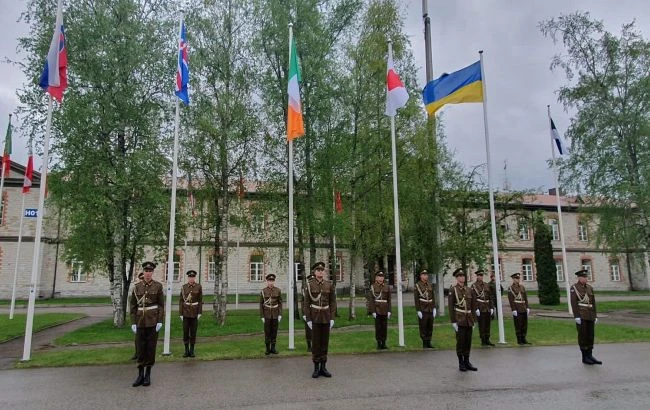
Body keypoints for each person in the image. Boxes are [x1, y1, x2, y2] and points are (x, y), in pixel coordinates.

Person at [129, 261, 164, 387]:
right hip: (139, 321)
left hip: (153, 321)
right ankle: (140, 375)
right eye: (146, 271)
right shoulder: (136, 287)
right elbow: (133, 306)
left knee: (150, 348)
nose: (148, 273)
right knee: (140, 347)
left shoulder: (158, 286)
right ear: (143, 272)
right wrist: (133, 322)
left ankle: (148, 375)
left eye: (150, 271)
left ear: (152, 272)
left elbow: (161, 305)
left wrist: (160, 320)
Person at [302, 261, 337, 378]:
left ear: (324, 272)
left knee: (324, 342)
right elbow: (306, 303)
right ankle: (316, 368)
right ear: (314, 272)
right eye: (318, 270)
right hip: (315, 317)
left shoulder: (329, 284)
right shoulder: (310, 285)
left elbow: (333, 302)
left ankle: (324, 367)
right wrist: (308, 319)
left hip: (326, 316)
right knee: (316, 343)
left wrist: (332, 317)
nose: (320, 272)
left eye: (322, 270)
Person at [570, 269, 602, 365]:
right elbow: (574, 303)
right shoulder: (574, 288)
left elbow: (593, 303)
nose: (585, 278)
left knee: (590, 336)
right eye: (583, 277)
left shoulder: (589, 288)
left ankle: (590, 355)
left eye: (586, 277)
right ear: (579, 278)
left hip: (590, 315)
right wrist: (576, 316)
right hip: (582, 315)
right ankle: (584, 357)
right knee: (583, 336)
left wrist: (595, 316)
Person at [448, 268, 477, 371]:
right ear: (457, 278)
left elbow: (473, 306)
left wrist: (474, 321)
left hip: (469, 319)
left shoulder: (469, 290)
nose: (462, 277)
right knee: (460, 342)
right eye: (460, 276)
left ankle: (467, 361)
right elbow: (451, 307)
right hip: (459, 319)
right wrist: (453, 322)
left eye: (463, 276)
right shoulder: (453, 290)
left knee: (468, 341)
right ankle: (461, 363)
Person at [179, 269, 202, 358]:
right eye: (190, 277)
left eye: (193, 277)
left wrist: (199, 312)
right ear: (188, 278)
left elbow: (200, 300)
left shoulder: (198, 287)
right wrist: (181, 313)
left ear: (194, 278)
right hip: (185, 312)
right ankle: (186, 350)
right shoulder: (183, 287)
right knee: (185, 332)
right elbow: (181, 301)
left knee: (193, 332)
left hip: (194, 312)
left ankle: (192, 350)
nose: (191, 279)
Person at [367, 270, 391, 350]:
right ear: (376, 278)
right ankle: (379, 343)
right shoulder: (373, 287)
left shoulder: (387, 287)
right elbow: (371, 300)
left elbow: (389, 300)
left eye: (382, 277)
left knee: (384, 327)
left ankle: (384, 343)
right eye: (379, 277)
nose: (381, 278)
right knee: (378, 327)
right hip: (377, 309)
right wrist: (373, 311)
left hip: (384, 309)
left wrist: (389, 310)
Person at [260, 273, 282, 355]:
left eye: (272, 281)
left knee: (274, 331)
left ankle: (273, 348)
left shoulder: (278, 290)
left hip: (275, 314)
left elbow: (280, 303)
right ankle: (267, 348)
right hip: (267, 314)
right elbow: (261, 304)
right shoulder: (263, 291)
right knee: (267, 331)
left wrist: (280, 314)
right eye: (269, 281)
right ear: (267, 281)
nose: (271, 282)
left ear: (274, 281)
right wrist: (262, 316)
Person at [471, 270, 494, 346]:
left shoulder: (486, 285)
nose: (480, 277)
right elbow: (473, 299)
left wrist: (491, 307)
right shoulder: (474, 286)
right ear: (476, 276)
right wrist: (476, 308)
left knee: (488, 324)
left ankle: (487, 339)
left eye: (481, 275)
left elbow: (490, 296)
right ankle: (483, 340)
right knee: (482, 325)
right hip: (480, 307)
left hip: (487, 306)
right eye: (479, 275)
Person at [414, 269, 436, 348]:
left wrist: (434, 308)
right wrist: (418, 310)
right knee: (423, 326)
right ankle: (424, 342)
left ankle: (429, 341)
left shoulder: (429, 285)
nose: (425, 276)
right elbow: (416, 299)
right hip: (423, 308)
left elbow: (433, 297)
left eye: (426, 275)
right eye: (423, 275)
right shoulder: (418, 285)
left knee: (430, 326)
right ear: (420, 276)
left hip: (430, 308)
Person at [508, 272, 531, 345]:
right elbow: (511, 300)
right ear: (513, 279)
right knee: (518, 325)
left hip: (523, 307)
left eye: (518, 278)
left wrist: (527, 307)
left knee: (524, 325)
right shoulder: (511, 288)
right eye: (516, 278)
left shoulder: (522, 287)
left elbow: (525, 298)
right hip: (517, 308)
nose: (518, 280)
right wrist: (513, 309)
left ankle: (524, 338)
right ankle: (519, 339)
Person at [131, 271, 144, 360]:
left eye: (143, 278)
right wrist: (133, 321)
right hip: (139, 316)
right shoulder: (136, 289)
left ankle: (145, 354)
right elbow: (133, 306)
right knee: (138, 338)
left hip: (149, 316)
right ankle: (137, 353)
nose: (142, 280)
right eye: (141, 279)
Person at [302, 272, 315, 352]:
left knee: (316, 330)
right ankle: (309, 346)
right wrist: (304, 313)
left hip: (316, 312)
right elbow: (303, 303)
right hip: (308, 312)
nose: (311, 282)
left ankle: (315, 345)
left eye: (312, 280)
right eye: (310, 281)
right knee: (308, 330)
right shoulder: (305, 290)